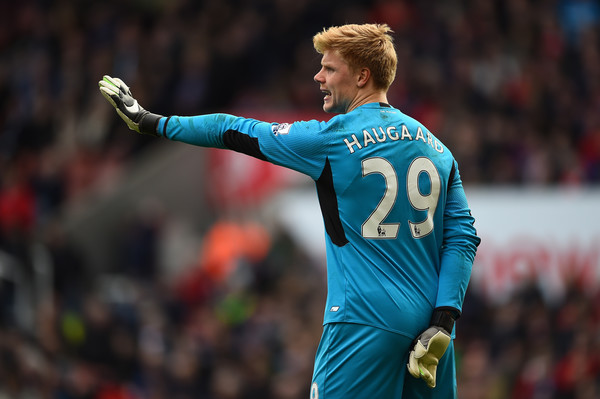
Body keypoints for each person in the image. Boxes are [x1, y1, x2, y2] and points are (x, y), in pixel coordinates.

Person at [99, 23, 480, 398]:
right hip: (431, 332)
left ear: (362, 76)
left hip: (364, 321)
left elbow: (231, 129)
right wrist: (444, 320)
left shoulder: (332, 139)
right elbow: (462, 237)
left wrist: (154, 123)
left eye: (330, 68)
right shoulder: (438, 150)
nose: (318, 76)